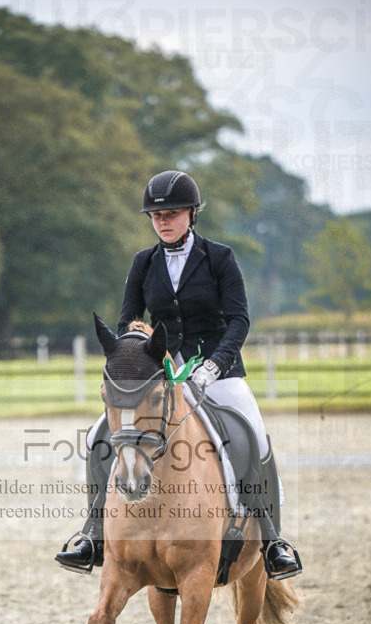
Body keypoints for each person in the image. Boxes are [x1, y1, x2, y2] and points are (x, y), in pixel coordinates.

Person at [55, 169, 301, 580]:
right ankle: (92, 533)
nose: (163, 221)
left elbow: (239, 320)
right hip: (162, 376)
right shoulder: (143, 263)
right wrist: (137, 360)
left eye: (171, 213)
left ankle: (274, 541)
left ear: (191, 213)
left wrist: (214, 365)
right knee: (101, 433)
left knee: (254, 436)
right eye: (156, 215)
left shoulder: (220, 258)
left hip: (218, 372)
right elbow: (127, 324)